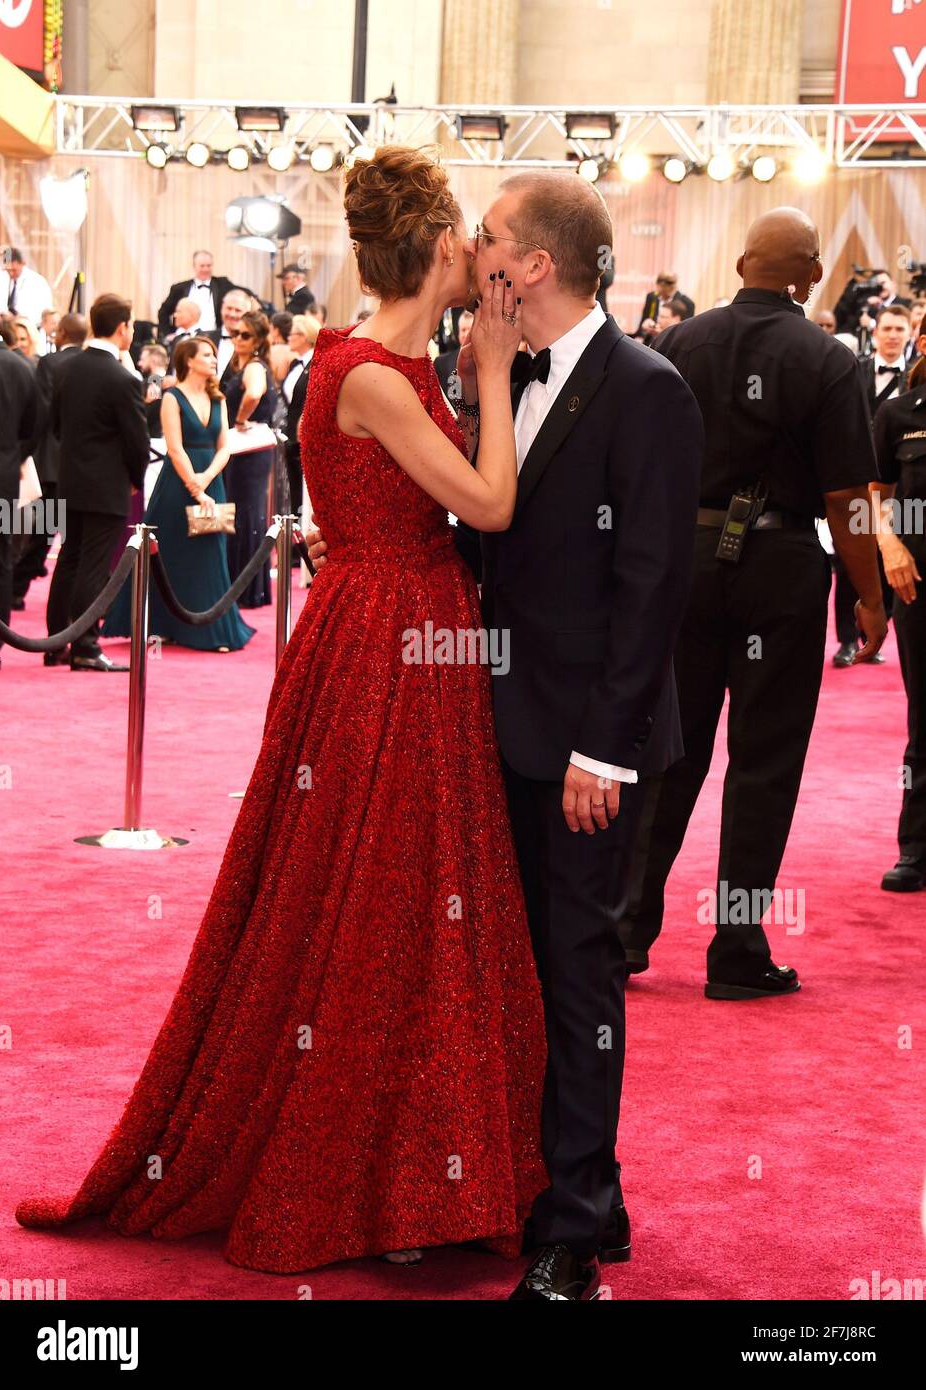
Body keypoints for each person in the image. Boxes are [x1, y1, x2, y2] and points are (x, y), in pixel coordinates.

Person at [15, 143, 546, 1279]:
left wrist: (475, 367)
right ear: (439, 245)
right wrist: (495, 373)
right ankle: (377, 1172)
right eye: (464, 234)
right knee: (378, 887)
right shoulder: (369, 374)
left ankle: (430, 1165)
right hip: (387, 645)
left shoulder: (390, 363)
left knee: (408, 883)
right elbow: (491, 503)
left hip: (405, 633)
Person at [308, 171, 704, 1300]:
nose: (467, 247)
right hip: (485, 719)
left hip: (586, 743)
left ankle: (577, 1226)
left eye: (486, 237)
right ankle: (514, 1185)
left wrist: (606, 749)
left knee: (579, 977)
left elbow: (652, 583)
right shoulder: (484, 372)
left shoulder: (649, 389)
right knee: (508, 972)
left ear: (531, 266)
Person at [618, 207, 888, 1000]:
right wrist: (867, 596)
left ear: (740, 265)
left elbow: (642, 466)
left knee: (668, 753)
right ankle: (735, 953)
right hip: (780, 563)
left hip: (687, 561)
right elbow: (847, 497)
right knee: (763, 764)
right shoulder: (828, 359)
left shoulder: (676, 343)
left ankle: (625, 933)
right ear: (808, 275)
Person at [102, 337, 255, 653]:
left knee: (210, 554)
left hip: (211, 479)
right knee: (168, 557)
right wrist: (195, 487)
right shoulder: (171, 396)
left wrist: (207, 480)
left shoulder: (219, 398)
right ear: (188, 360)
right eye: (206, 355)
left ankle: (213, 630)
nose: (213, 360)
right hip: (178, 484)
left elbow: (224, 446)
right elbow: (174, 448)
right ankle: (160, 626)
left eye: (214, 355)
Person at [44, 293, 150, 672]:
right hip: (106, 484)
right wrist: (136, 479)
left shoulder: (65, 368)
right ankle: (85, 647)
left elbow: (55, 425)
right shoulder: (122, 377)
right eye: (133, 326)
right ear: (122, 328)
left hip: (69, 479)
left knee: (69, 560)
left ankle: (55, 642)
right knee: (91, 564)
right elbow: (137, 440)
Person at [872, 338, 926, 892]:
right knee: (924, 715)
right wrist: (888, 545)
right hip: (917, 586)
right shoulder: (899, 413)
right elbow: (873, 494)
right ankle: (917, 846)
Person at [831, 303, 910, 667]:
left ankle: (875, 634)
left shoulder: (915, 376)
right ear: (875, 332)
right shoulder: (854, 369)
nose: (893, 335)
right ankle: (847, 640)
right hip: (858, 483)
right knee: (852, 561)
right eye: (888, 329)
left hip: (902, 486)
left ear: (909, 335)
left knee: (893, 560)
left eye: (900, 329)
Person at [12, 313, 89, 616]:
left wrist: (24, 452)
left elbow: (42, 413)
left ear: (61, 334)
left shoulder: (50, 363)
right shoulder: (89, 365)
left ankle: (14, 587)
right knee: (50, 532)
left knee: (39, 530)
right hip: (77, 464)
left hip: (50, 461)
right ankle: (16, 587)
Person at [0, 297, 39, 673]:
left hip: (2, 469)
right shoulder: (22, 366)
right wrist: (11, 457)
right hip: (5, 475)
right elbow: (35, 429)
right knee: (1, 556)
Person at [222, 309, 278, 608]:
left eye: (245, 335)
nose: (238, 339)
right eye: (235, 334)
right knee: (243, 513)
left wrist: (241, 418)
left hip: (250, 447)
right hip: (243, 449)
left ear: (257, 340)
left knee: (247, 514)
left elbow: (254, 394)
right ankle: (243, 587)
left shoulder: (254, 366)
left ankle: (247, 589)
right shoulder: (240, 365)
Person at [282, 313, 319, 532]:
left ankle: (302, 539)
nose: (289, 337)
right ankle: (294, 540)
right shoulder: (295, 364)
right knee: (294, 490)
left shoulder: (316, 363)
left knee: (305, 493)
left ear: (306, 337)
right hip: (291, 436)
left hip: (304, 436)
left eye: (294, 333)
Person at [157, 250, 235, 338]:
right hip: (186, 337)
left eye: (209, 266)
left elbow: (242, 292)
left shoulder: (222, 285)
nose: (206, 269)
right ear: (194, 266)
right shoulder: (179, 288)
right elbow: (163, 312)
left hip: (214, 336)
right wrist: (167, 334)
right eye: (202, 266)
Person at [0, 246, 53, 326]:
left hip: (27, 327)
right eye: (8, 270)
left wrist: (17, 318)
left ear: (23, 264)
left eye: (14, 270)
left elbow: (43, 312)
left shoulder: (37, 282)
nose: (11, 273)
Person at [209, 288, 252, 384]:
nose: (232, 314)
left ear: (247, 314)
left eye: (238, 310)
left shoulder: (252, 342)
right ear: (221, 309)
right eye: (229, 308)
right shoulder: (205, 338)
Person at [635, 270, 694, 337]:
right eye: (659, 293)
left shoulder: (687, 304)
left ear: (674, 288)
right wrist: (644, 328)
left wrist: (663, 333)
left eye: (665, 295)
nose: (661, 297)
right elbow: (641, 327)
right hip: (650, 342)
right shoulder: (652, 296)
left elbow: (687, 332)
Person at [433, 307, 474, 397]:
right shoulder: (442, 363)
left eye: (469, 330)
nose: (466, 334)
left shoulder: (487, 363)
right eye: (463, 330)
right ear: (458, 334)